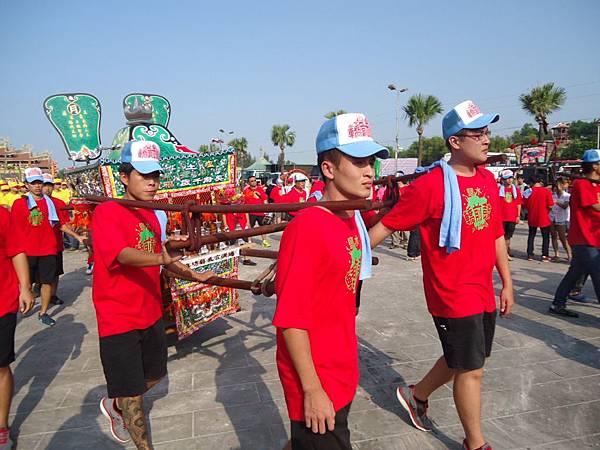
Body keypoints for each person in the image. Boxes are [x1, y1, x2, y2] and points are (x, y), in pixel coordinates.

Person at [369, 100, 514, 450]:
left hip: (482, 288)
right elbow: (385, 226)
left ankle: (416, 394)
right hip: (451, 292)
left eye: (486, 132)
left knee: (465, 358)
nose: (485, 139)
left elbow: (495, 233)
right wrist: (348, 257)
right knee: (471, 368)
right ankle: (475, 443)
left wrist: (507, 282)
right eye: (477, 133)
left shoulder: (486, 181)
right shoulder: (430, 185)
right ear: (454, 141)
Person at [274, 113, 388, 450]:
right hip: (316, 378)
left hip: (341, 369)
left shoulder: (350, 220)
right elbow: (291, 319)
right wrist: (312, 390)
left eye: (371, 161)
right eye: (358, 161)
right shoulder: (309, 227)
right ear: (329, 168)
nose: (370, 171)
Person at [92, 141, 214, 449]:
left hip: (150, 312)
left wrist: (195, 274)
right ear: (124, 177)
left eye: (155, 175)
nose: (152, 182)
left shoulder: (150, 216)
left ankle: (117, 401)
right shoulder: (108, 212)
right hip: (118, 318)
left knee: (156, 375)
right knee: (134, 396)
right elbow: (122, 255)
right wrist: (163, 258)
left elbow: (162, 259)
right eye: (143, 175)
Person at [10, 168, 75, 327]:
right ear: (27, 185)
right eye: (34, 183)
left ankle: (43, 312)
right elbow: (14, 229)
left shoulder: (52, 203)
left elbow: (61, 224)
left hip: (48, 249)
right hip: (27, 251)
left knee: (47, 282)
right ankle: (22, 305)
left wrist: (78, 235)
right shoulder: (19, 204)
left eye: (40, 182)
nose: (38, 186)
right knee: (26, 283)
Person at [550, 149, 600, 317]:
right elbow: (594, 206)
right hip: (584, 239)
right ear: (594, 165)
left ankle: (557, 304)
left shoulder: (594, 183)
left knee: (574, 274)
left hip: (593, 238)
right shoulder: (582, 184)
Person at [0, 205, 34, 450]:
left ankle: (1, 426)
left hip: (1, 301)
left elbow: (16, 250)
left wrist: (24, 287)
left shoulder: (2, 214)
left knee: (0, 367)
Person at [41, 173, 86, 305]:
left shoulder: (58, 203)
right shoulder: (28, 203)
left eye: (49, 185)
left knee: (54, 273)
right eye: (44, 185)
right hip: (36, 246)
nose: (47, 188)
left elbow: (64, 224)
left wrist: (80, 221)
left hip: (55, 244)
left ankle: (52, 295)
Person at [523, 177, 553, 261]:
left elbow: (524, 205)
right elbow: (550, 205)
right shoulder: (546, 191)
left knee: (531, 235)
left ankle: (530, 254)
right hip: (544, 216)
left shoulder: (527, 191)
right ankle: (544, 255)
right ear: (540, 182)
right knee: (545, 236)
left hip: (532, 216)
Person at [498, 169, 522, 260]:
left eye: (510, 178)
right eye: (507, 178)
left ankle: (506, 253)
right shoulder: (498, 189)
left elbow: (518, 203)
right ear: (503, 180)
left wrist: (518, 216)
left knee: (508, 237)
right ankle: (501, 254)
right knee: (500, 237)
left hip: (511, 217)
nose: (509, 180)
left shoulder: (516, 190)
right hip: (501, 217)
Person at [242, 176, 270, 247]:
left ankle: (264, 241)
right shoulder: (246, 191)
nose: (254, 182)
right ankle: (249, 241)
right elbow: (244, 203)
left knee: (263, 228)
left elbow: (265, 200)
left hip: (261, 212)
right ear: (248, 183)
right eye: (252, 181)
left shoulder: (260, 189)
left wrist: (267, 211)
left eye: (255, 180)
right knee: (250, 227)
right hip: (251, 212)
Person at [549, 177, 571, 262]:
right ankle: (556, 254)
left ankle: (569, 254)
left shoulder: (567, 196)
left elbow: (565, 206)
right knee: (554, 236)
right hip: (552, 217)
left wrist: (557, 202)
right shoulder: (552, 195)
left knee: (563, 238)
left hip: (562, 218)